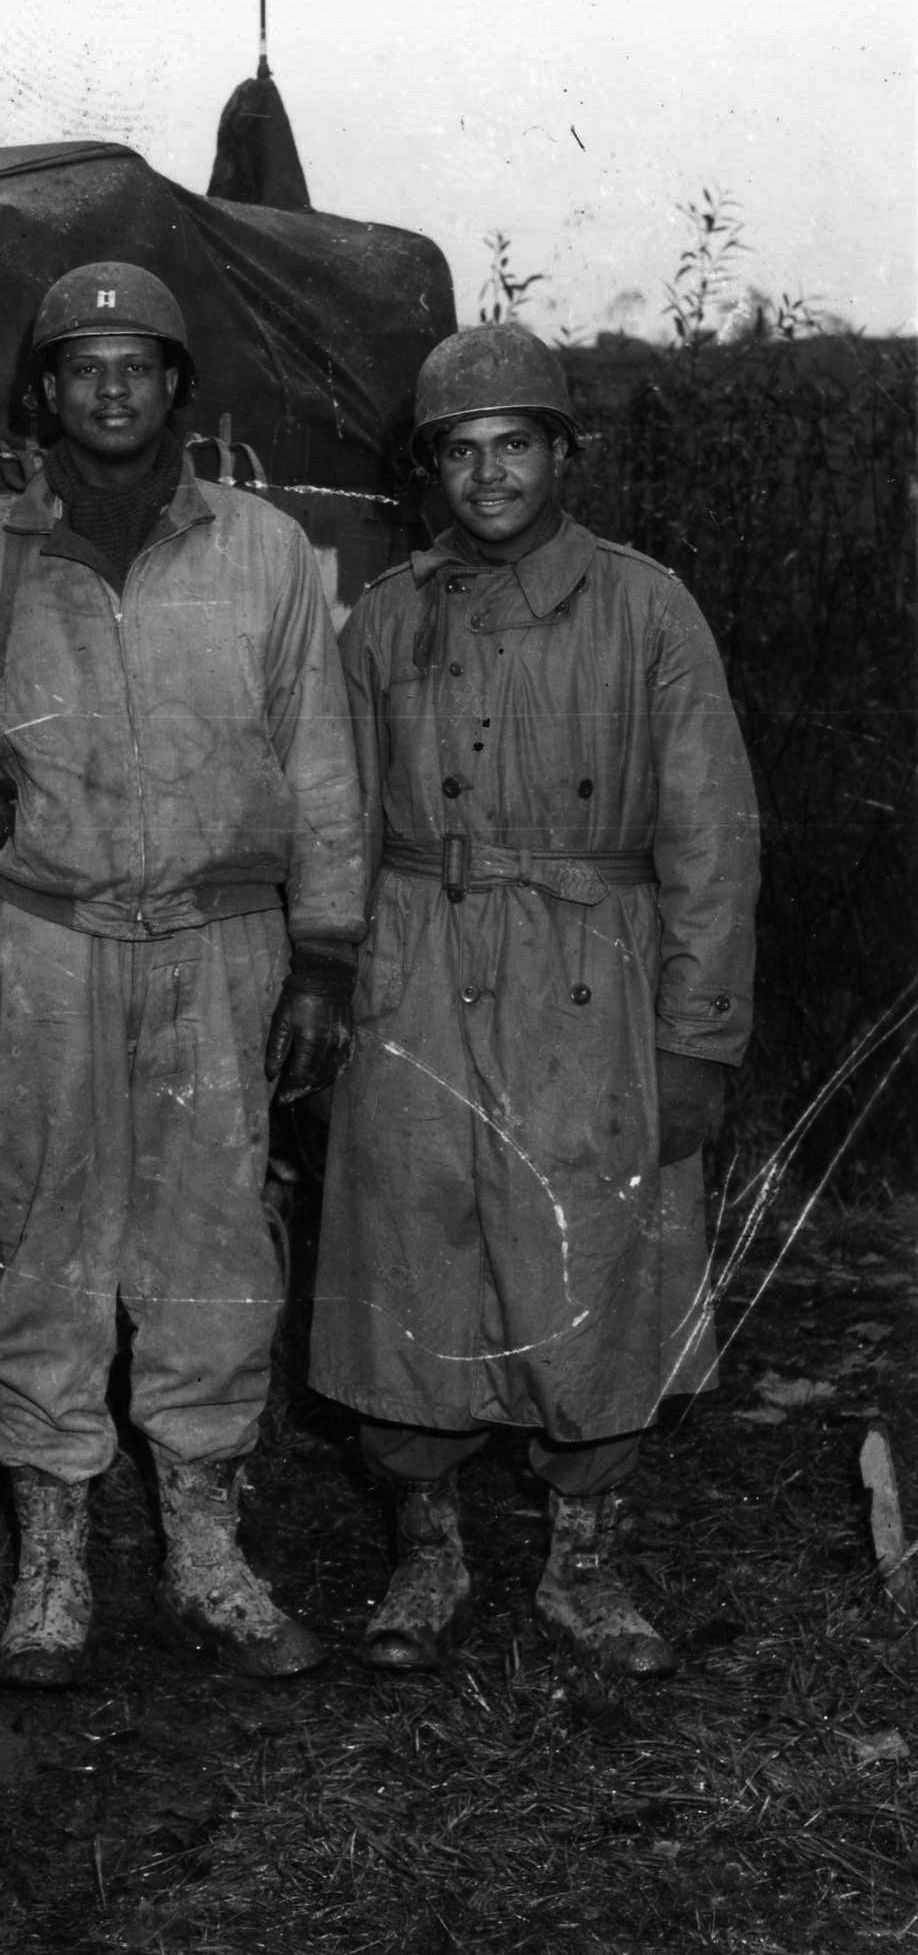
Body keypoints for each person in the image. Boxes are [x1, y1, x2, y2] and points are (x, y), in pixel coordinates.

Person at [0, 262, 366, 1687]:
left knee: (215, 1247)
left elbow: (320, 762)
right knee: (41, 1239)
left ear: (178, 389)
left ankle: (205, 1549)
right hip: (39, 940)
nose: (110, 387)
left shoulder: (266, 554)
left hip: (221, 946)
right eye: (80, 364)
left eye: (138, 363)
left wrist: (324, 954)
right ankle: (50, 1558)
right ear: (40, 394)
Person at [311, 322, 761, 1677]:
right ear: (430, 468)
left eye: (516, 445)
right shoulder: (385, 617)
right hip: (419, 974)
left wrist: (696, 1036)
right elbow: (333, 815)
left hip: (592, 979)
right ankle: (427, 1549)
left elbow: (710, 838)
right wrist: (331, 976)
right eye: (462, 450)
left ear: (562, 455)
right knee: (413, 1248)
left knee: (597, 1257)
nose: (489, 475)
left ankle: (581, 1563)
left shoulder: (644, 607)